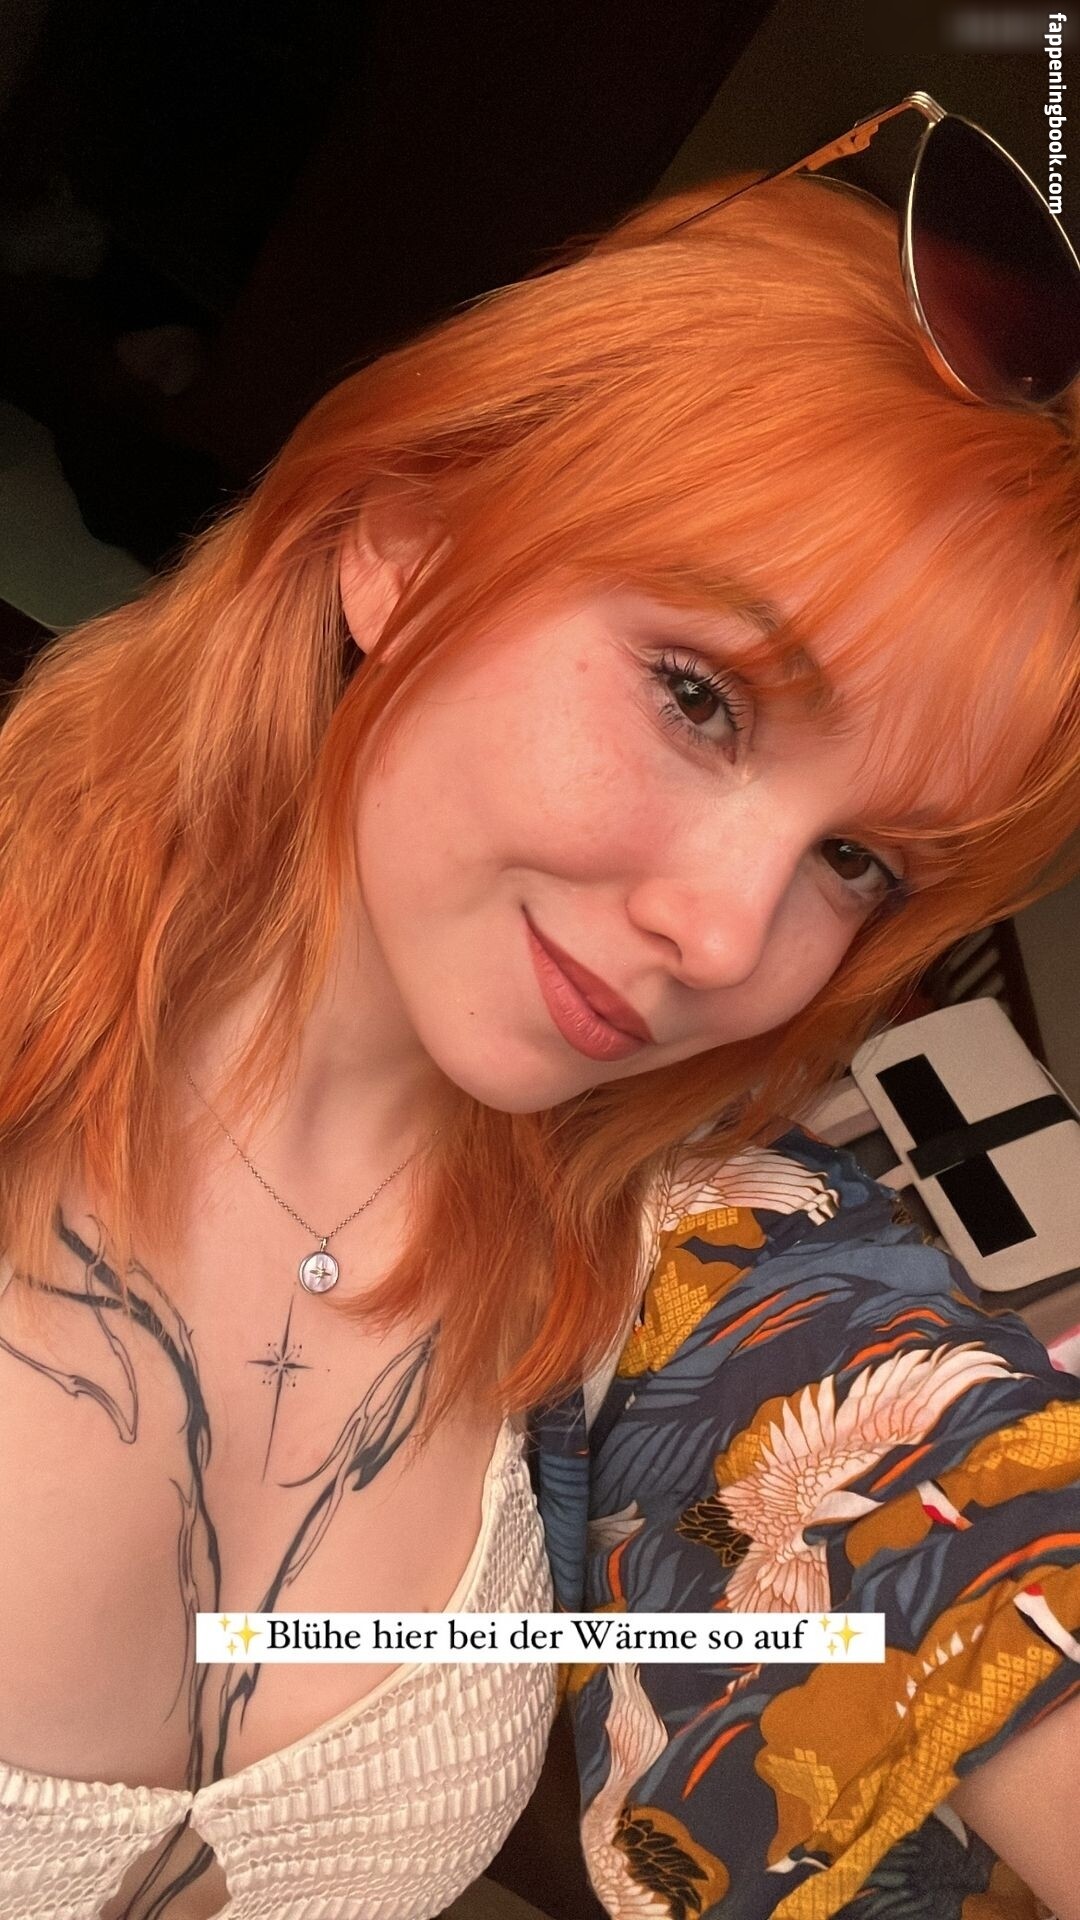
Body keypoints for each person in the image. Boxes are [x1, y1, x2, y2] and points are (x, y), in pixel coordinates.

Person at [1, 96, 1079, 1920]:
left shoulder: (664, 1251)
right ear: (409, 540)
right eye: (700, 697)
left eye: (858, 863)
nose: (724, 935)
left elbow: (955, 1515)